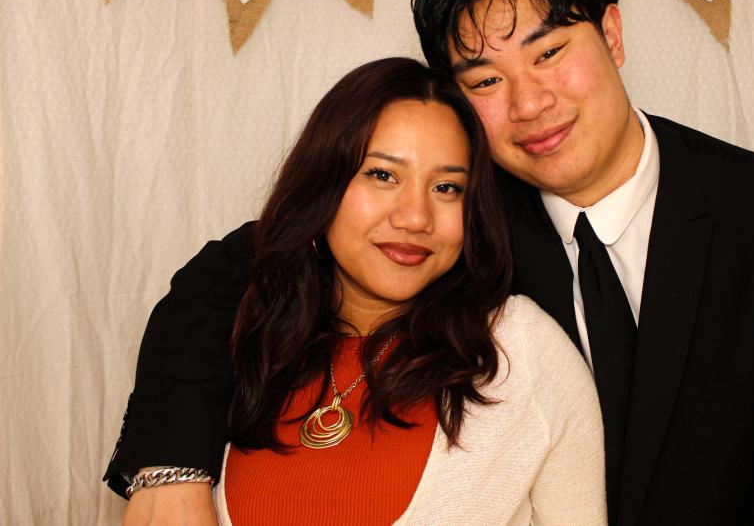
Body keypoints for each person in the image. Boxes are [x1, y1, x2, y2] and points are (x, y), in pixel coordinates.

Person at [105, 0, 754, 524]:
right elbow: (236, 274)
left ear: (612, 34)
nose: (529, 102)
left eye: (549, 53)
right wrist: (172, 464)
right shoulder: (448, 218)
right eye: (485, 79)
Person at [108, 57, 605, 525]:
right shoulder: (243, 338)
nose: (415, 218)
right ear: (323, 184)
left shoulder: (522, 355)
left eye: (447, 187)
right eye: (383, 175)